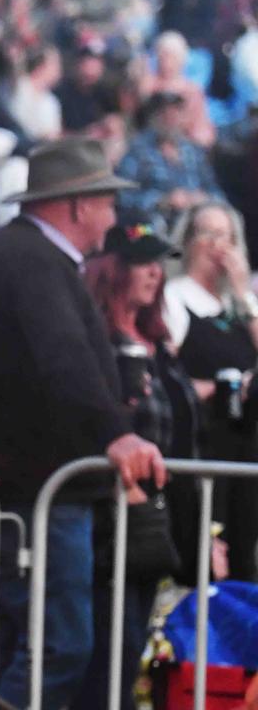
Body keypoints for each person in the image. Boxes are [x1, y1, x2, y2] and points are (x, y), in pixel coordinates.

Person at [0, 138, 166, 710]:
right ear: (76, 206)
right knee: (57, 644)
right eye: (107, 202)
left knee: (4, 644)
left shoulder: (22, 258)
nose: (114, 216)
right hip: (32, 492)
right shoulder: (29, 264)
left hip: (16, 487)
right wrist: (114, 433)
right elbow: (62, 359)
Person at [75, 212, 197, 710]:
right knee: (109, 654)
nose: (153, 273)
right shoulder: (95, 341)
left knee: (131, 655)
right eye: (140, 262)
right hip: (105, 521)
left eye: (159, 264)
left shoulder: (161, 342)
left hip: (154, 522)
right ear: (111, 268)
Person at [163, 201, 258, 583]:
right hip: (202, 443)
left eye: (226, 236)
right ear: (189, 241)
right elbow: (166, 370)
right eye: (208, 233)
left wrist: (241, 291)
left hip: (245, 448)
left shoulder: (240, 305)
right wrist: (211, 387)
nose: (218, 245)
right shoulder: (176, 297)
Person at [115, 92, 221, 219]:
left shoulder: (194, 151)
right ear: (153, 118)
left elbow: (216, 193)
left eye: (176, 114)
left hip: (189, 225)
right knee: (136, 234)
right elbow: (122, 197)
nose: (171, 120)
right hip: (148, 226)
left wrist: (202, 198)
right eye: (165, 115)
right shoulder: (137, 151)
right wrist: (162, 200)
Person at [141, 30, 215, 148]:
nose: (166, 61)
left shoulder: (192, 91)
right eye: (163, 55)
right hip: (150, 146)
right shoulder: (149, 85)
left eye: (171, 56)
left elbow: (202, 130)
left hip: (184, 147)